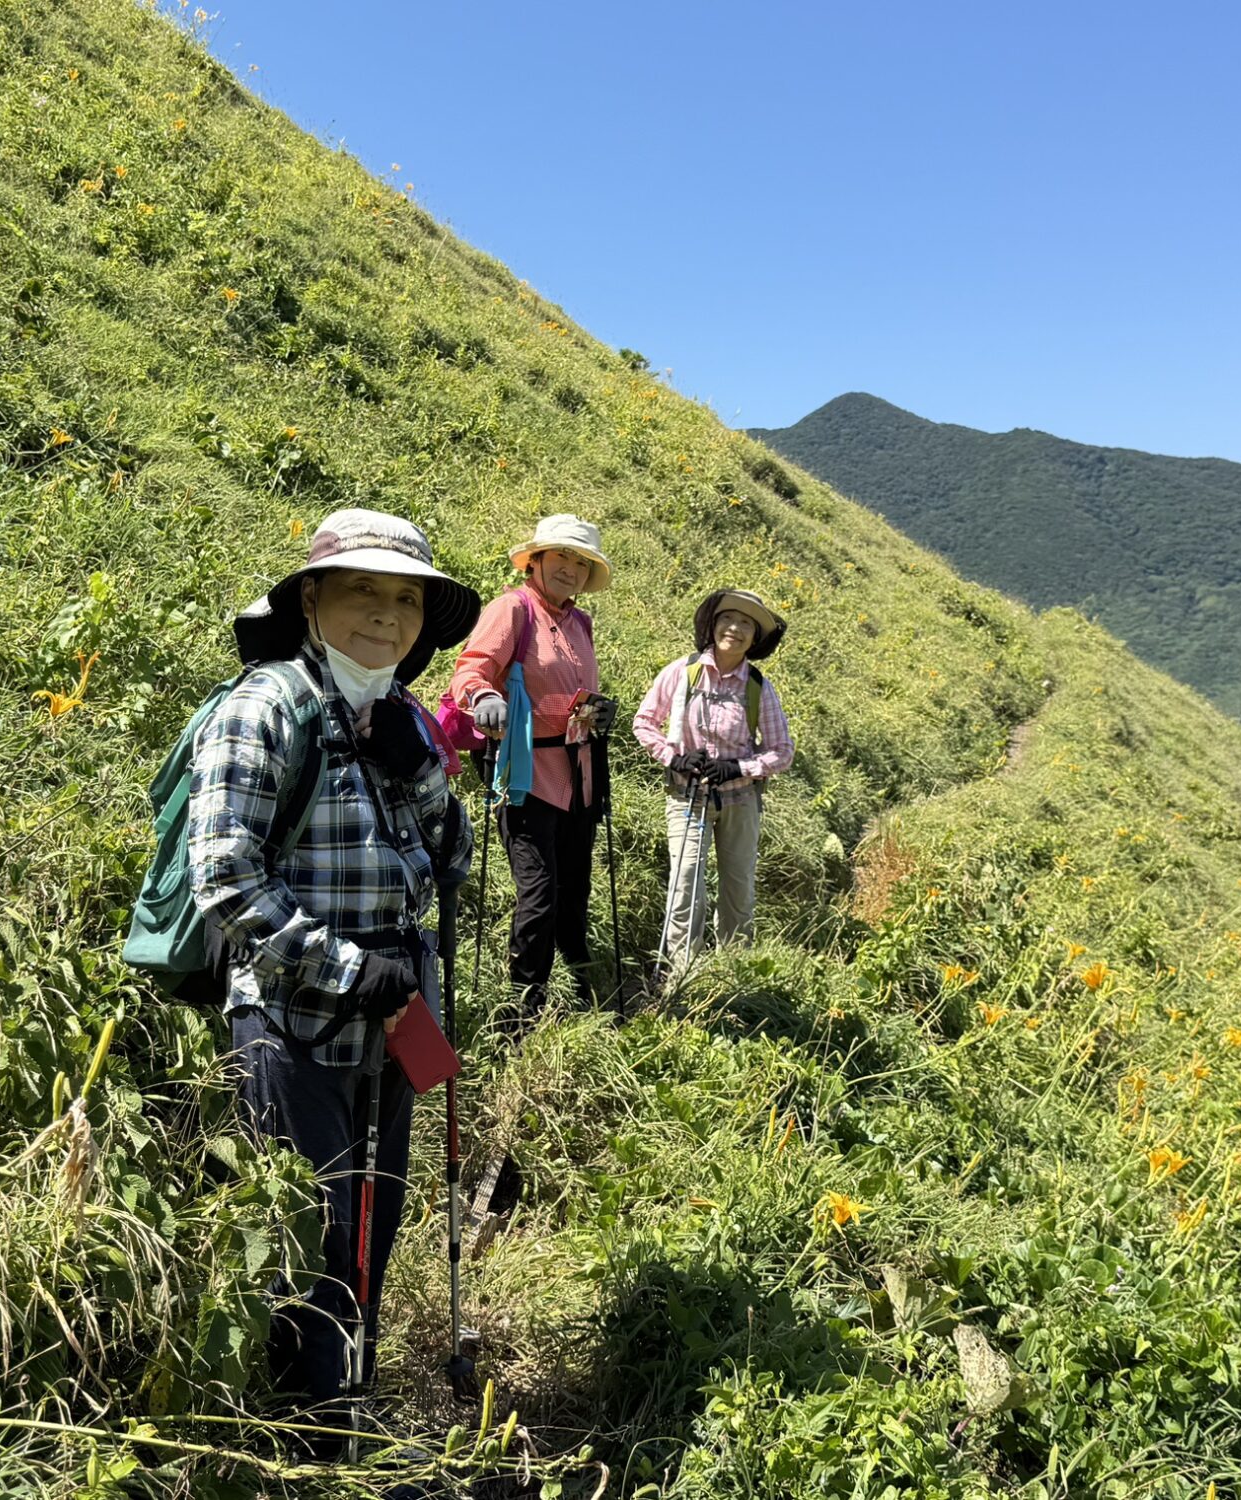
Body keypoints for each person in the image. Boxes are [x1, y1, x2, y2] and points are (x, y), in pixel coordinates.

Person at [188, 507, 477, 1441]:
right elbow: (225, 880)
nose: (388, 616)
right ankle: (308, 1433)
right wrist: (351, 970)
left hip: (393, 1023)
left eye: (407, 600)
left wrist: (421, 772)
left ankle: (349, 1403)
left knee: (368, 1226)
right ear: (311, 599)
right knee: (308, 1235)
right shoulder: (265, 707)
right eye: (364, 591)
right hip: (294, 1020)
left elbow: (454, 860)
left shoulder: (403, 717)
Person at [446, 513, 613, 1025]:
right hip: (526, 774)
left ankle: (578, 988)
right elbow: (471, 669)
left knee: (575, 889)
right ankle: (522, 1010)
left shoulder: (580, 623)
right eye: (561, 556)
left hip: (579, 774)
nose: (570, 569)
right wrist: (484, 697)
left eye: (581, 563)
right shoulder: (513, 609)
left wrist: (598, 711)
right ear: (535, 560)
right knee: (539, 894)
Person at [633, 588, 794, 971]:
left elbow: (782, 751)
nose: (734, 628)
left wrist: (739, 768)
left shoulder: (757, 687)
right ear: (712, 624)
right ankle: (682, 972)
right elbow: (644, 722)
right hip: (687, 795)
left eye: (746, 624)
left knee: (738, 889)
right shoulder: (682, 672)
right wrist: (675, 758)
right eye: (727, 619)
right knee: (685, 882)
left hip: (741, 801)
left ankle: (732, 971)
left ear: (755, 638)